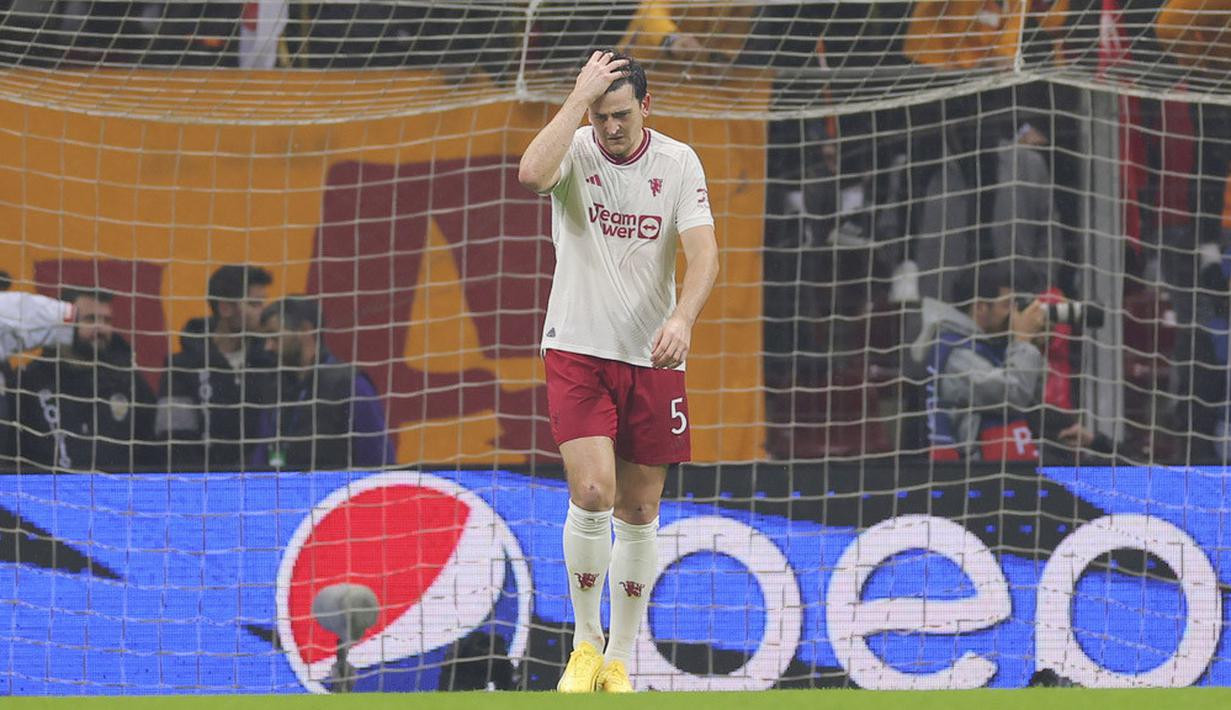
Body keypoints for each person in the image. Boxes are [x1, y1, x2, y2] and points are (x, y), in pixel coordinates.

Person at [517, 50, 719, 693]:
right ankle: (583, 644)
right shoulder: (574, 148)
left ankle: (621, 659)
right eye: (601, 116)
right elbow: (528, 174)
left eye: (622, 115)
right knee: (595, 492)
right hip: (577, 346)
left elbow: (705, 254)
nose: (611, 128)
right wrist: (576, 99)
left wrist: (683, 318)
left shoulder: (679, 162)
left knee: (640, 506)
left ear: (646, 108)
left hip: (652, 355)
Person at [909, 263, 1048, 461]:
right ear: (980, 308)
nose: (1013, 314)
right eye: (1007, 305)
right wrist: (1023, 342)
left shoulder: (989, 345)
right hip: (971, 475)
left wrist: (1033, 345)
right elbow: (1014, 394)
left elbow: (1032, 400)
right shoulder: (956, 354)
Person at [14, 288, 158, 473]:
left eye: (107, 321)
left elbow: (153, 451)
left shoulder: (128, 380)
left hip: (119, 495)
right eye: (90, 319)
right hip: (47, 495)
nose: (102, 329)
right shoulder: (28, 381)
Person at [250, 297, 394, 471]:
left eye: (274, 336)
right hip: (281, 493)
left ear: (305, 330)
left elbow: (378, 457)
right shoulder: (275, 387)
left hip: (335, 494)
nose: (268, 347)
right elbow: (261, 453)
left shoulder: (350, 385)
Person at [156, 265, 275, 472]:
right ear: (225, 308)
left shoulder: (268, 362)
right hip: (204, 490)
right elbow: (174, 441)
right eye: (255, 304)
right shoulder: (183, 368)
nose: (263, 313)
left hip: (261, 488)